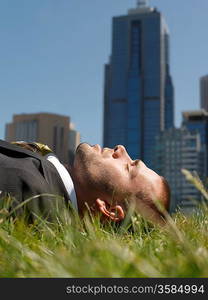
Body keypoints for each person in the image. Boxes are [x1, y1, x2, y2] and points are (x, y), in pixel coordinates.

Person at [0, 139, 170, 225]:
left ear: (110, 210)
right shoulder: (41, 175)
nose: (121, 149)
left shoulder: (21, 197)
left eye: (129, 168)